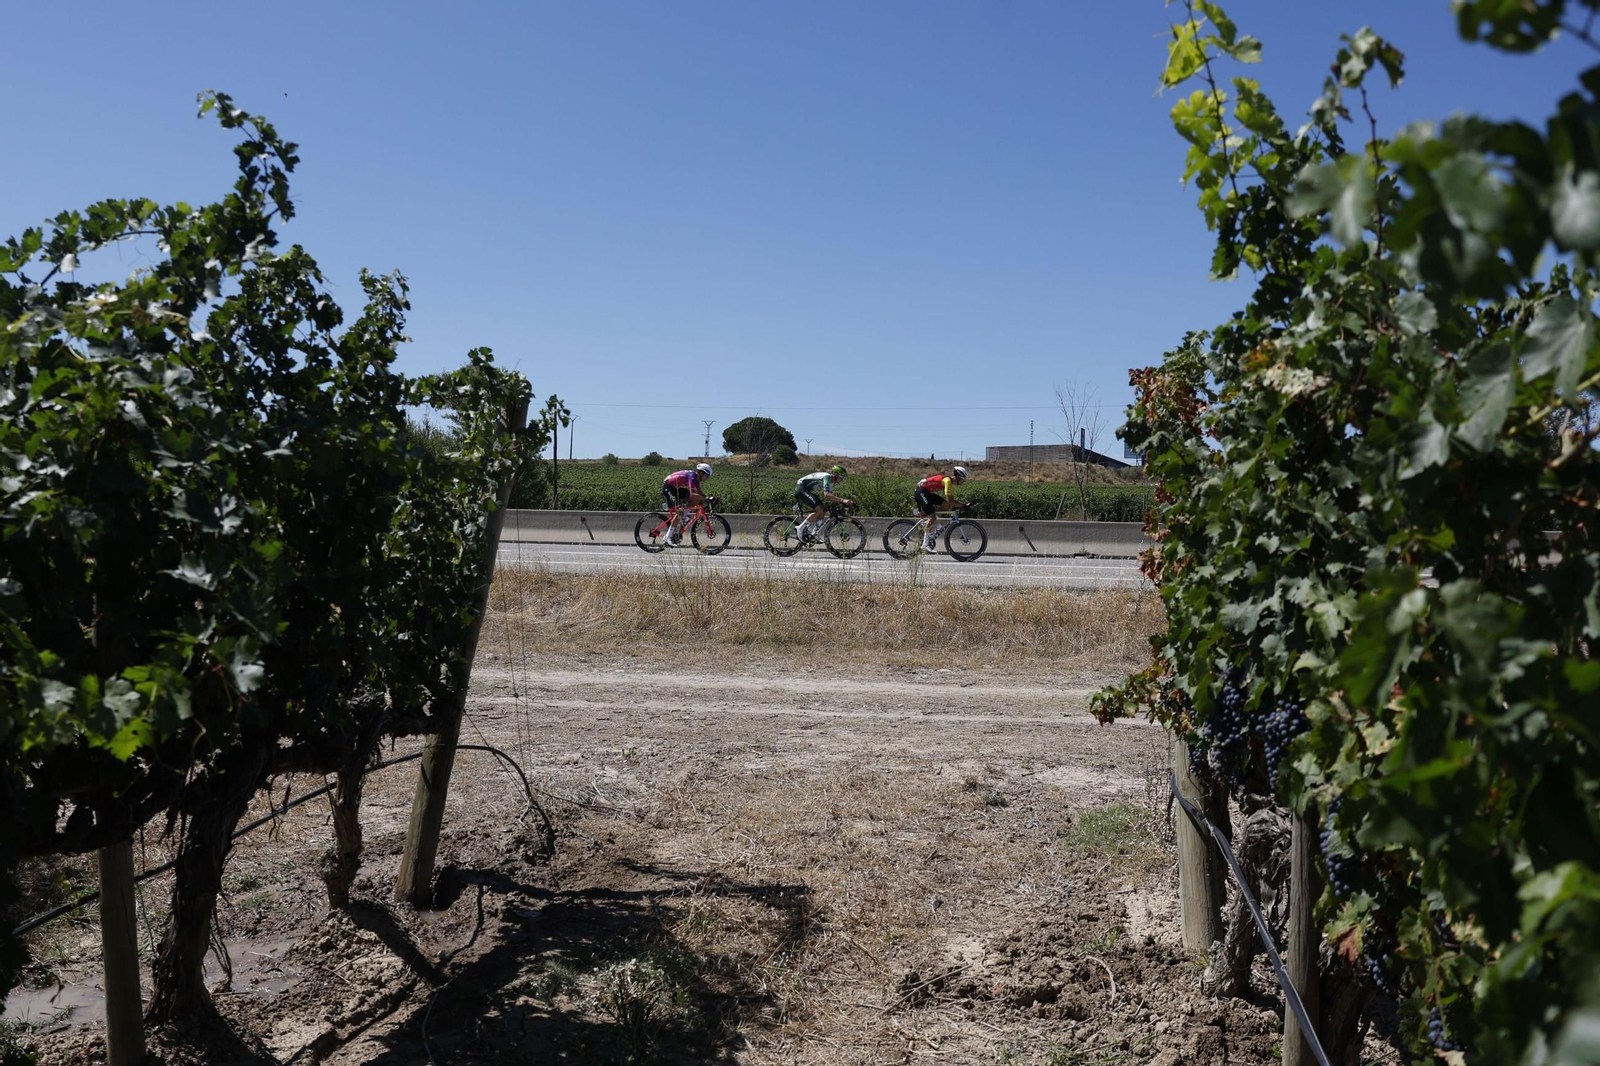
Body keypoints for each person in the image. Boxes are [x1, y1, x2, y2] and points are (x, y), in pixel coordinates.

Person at [913, 465, 969, 551]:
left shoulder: (949, 482)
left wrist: (961, 505)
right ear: (958, 478)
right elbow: (951, 501)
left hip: (926, 492)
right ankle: (925, 544)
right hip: (921, 491)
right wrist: (963, 505)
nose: (964, 482)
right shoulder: (947, 481)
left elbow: (949, 502)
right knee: (932, 517)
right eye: (963, 479)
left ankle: (933, 524)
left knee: (945, 504)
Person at [794, 465, 852, 541]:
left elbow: (831, 497)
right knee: (820, 509)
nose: (842, 480)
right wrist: (842, 500)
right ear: (836, 475)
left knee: (824, 509)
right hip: (801, 489)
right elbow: (827, 495)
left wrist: (842, 503)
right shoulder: (827, 477)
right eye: (842, 477)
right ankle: (800, 528)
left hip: (806, 490)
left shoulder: (830, 483)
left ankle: (814, 533)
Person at [661, 463, 713, 544]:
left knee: (695, 500)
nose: (707, 478)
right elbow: (692, 494)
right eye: (707, 475)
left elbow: (699, 493)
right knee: (680, 511)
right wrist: (706, 498)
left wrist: (710, 498)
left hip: (675, 488)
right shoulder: (692, 476)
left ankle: (684, 517)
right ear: (701, 473)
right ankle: (667, 537)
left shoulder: (696, 480)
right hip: (668, 487)